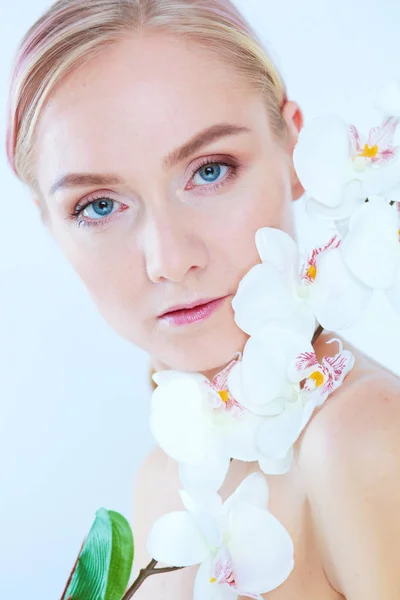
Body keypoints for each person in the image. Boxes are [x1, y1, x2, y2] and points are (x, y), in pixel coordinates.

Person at [5, 1, 400, 598]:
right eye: (99, 206)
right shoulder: (162, 479)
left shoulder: (358, 441)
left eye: (211, 170)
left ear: (295, 150)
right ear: (51, 226)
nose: (168, 258)